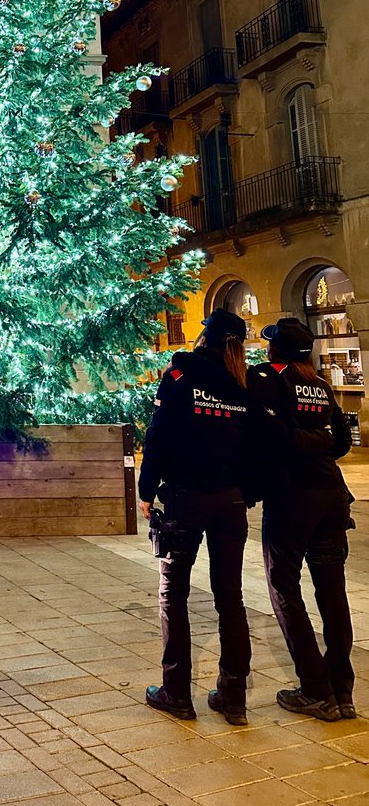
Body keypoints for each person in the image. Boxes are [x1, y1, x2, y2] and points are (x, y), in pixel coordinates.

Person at [139, 308, 258, 725]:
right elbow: (257, 447)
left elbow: (158, 435)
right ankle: (233, 697)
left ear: (204, 338)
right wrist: (246, 492)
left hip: (187, 499)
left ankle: (177, 693)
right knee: (231, 598)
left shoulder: (179, 376)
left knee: (173, 595)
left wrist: (145, 490)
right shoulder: (243, 385)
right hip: (230, 502)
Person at [248, 317, 354, 722]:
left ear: (275, 349)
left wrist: (294, 445)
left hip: (292, 497)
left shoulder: (269, 380)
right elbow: (340, 441)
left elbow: (268, 434)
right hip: (331, 495)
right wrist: (318, 444)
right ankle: (342, 690)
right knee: (332, 591)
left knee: (284, 586)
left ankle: (315, 688)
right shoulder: (320, 385)